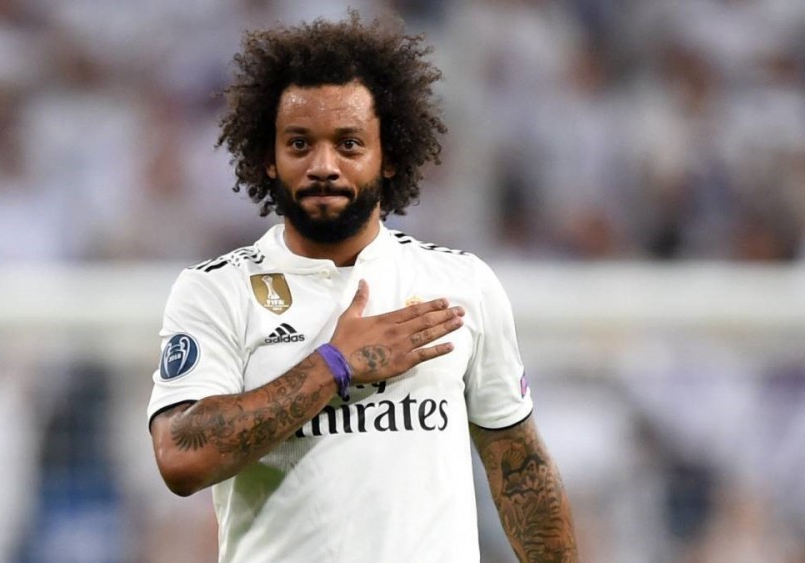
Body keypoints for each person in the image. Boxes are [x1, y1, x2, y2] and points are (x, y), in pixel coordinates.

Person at [147, 13, 578, 562]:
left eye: (349, 144)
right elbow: (181, 458)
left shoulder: (461, 285)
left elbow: (520, 471)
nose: (323, 166)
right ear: (268, 159)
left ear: (389, 156)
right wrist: (333, 365)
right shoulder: (217, 291)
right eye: (299, 144)